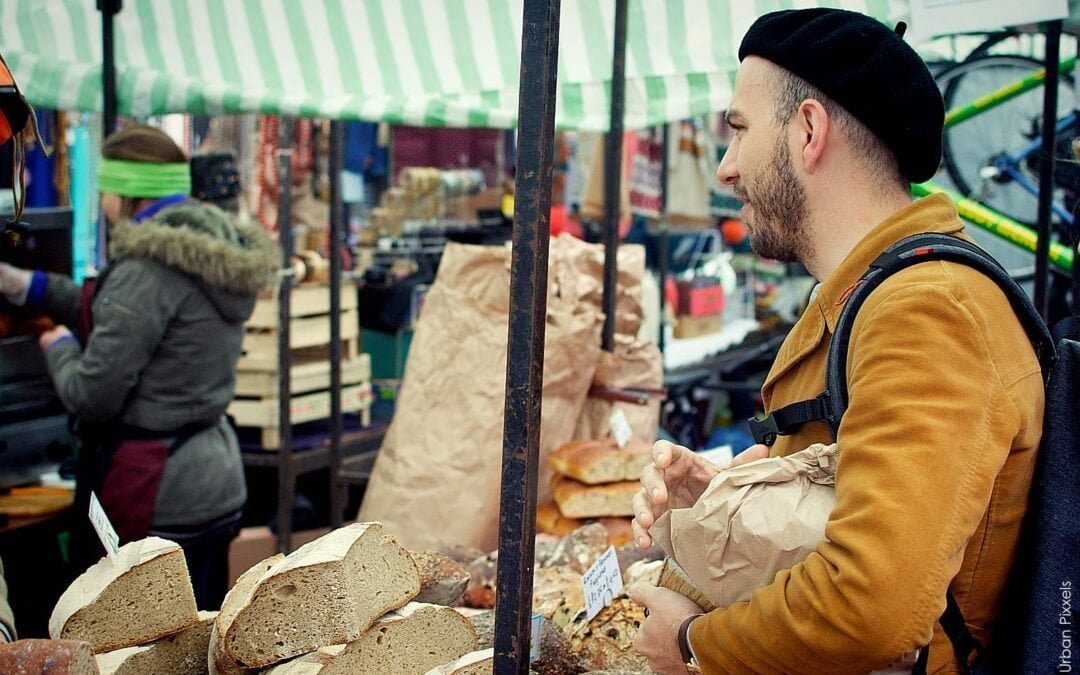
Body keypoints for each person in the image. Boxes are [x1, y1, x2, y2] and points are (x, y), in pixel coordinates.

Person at [629, 8, 1044, 674]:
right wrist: (732, 501)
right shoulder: (878, 293)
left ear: (810, 130)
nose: (727, 169)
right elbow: (847, 499)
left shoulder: (927, 310)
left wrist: (695, 644)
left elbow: (872, 601)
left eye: (739, 130)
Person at [0, 123, 278, 609]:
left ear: (126, 191)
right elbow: (118, 306)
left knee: (140, 647)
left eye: (106, 189)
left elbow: (90, 394)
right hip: (214, 479)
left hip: (157, 489)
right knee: (197, 640)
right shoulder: (210, 252)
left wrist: (57, 343)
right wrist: (32, 286)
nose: (104, 202)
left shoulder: (145, 269)